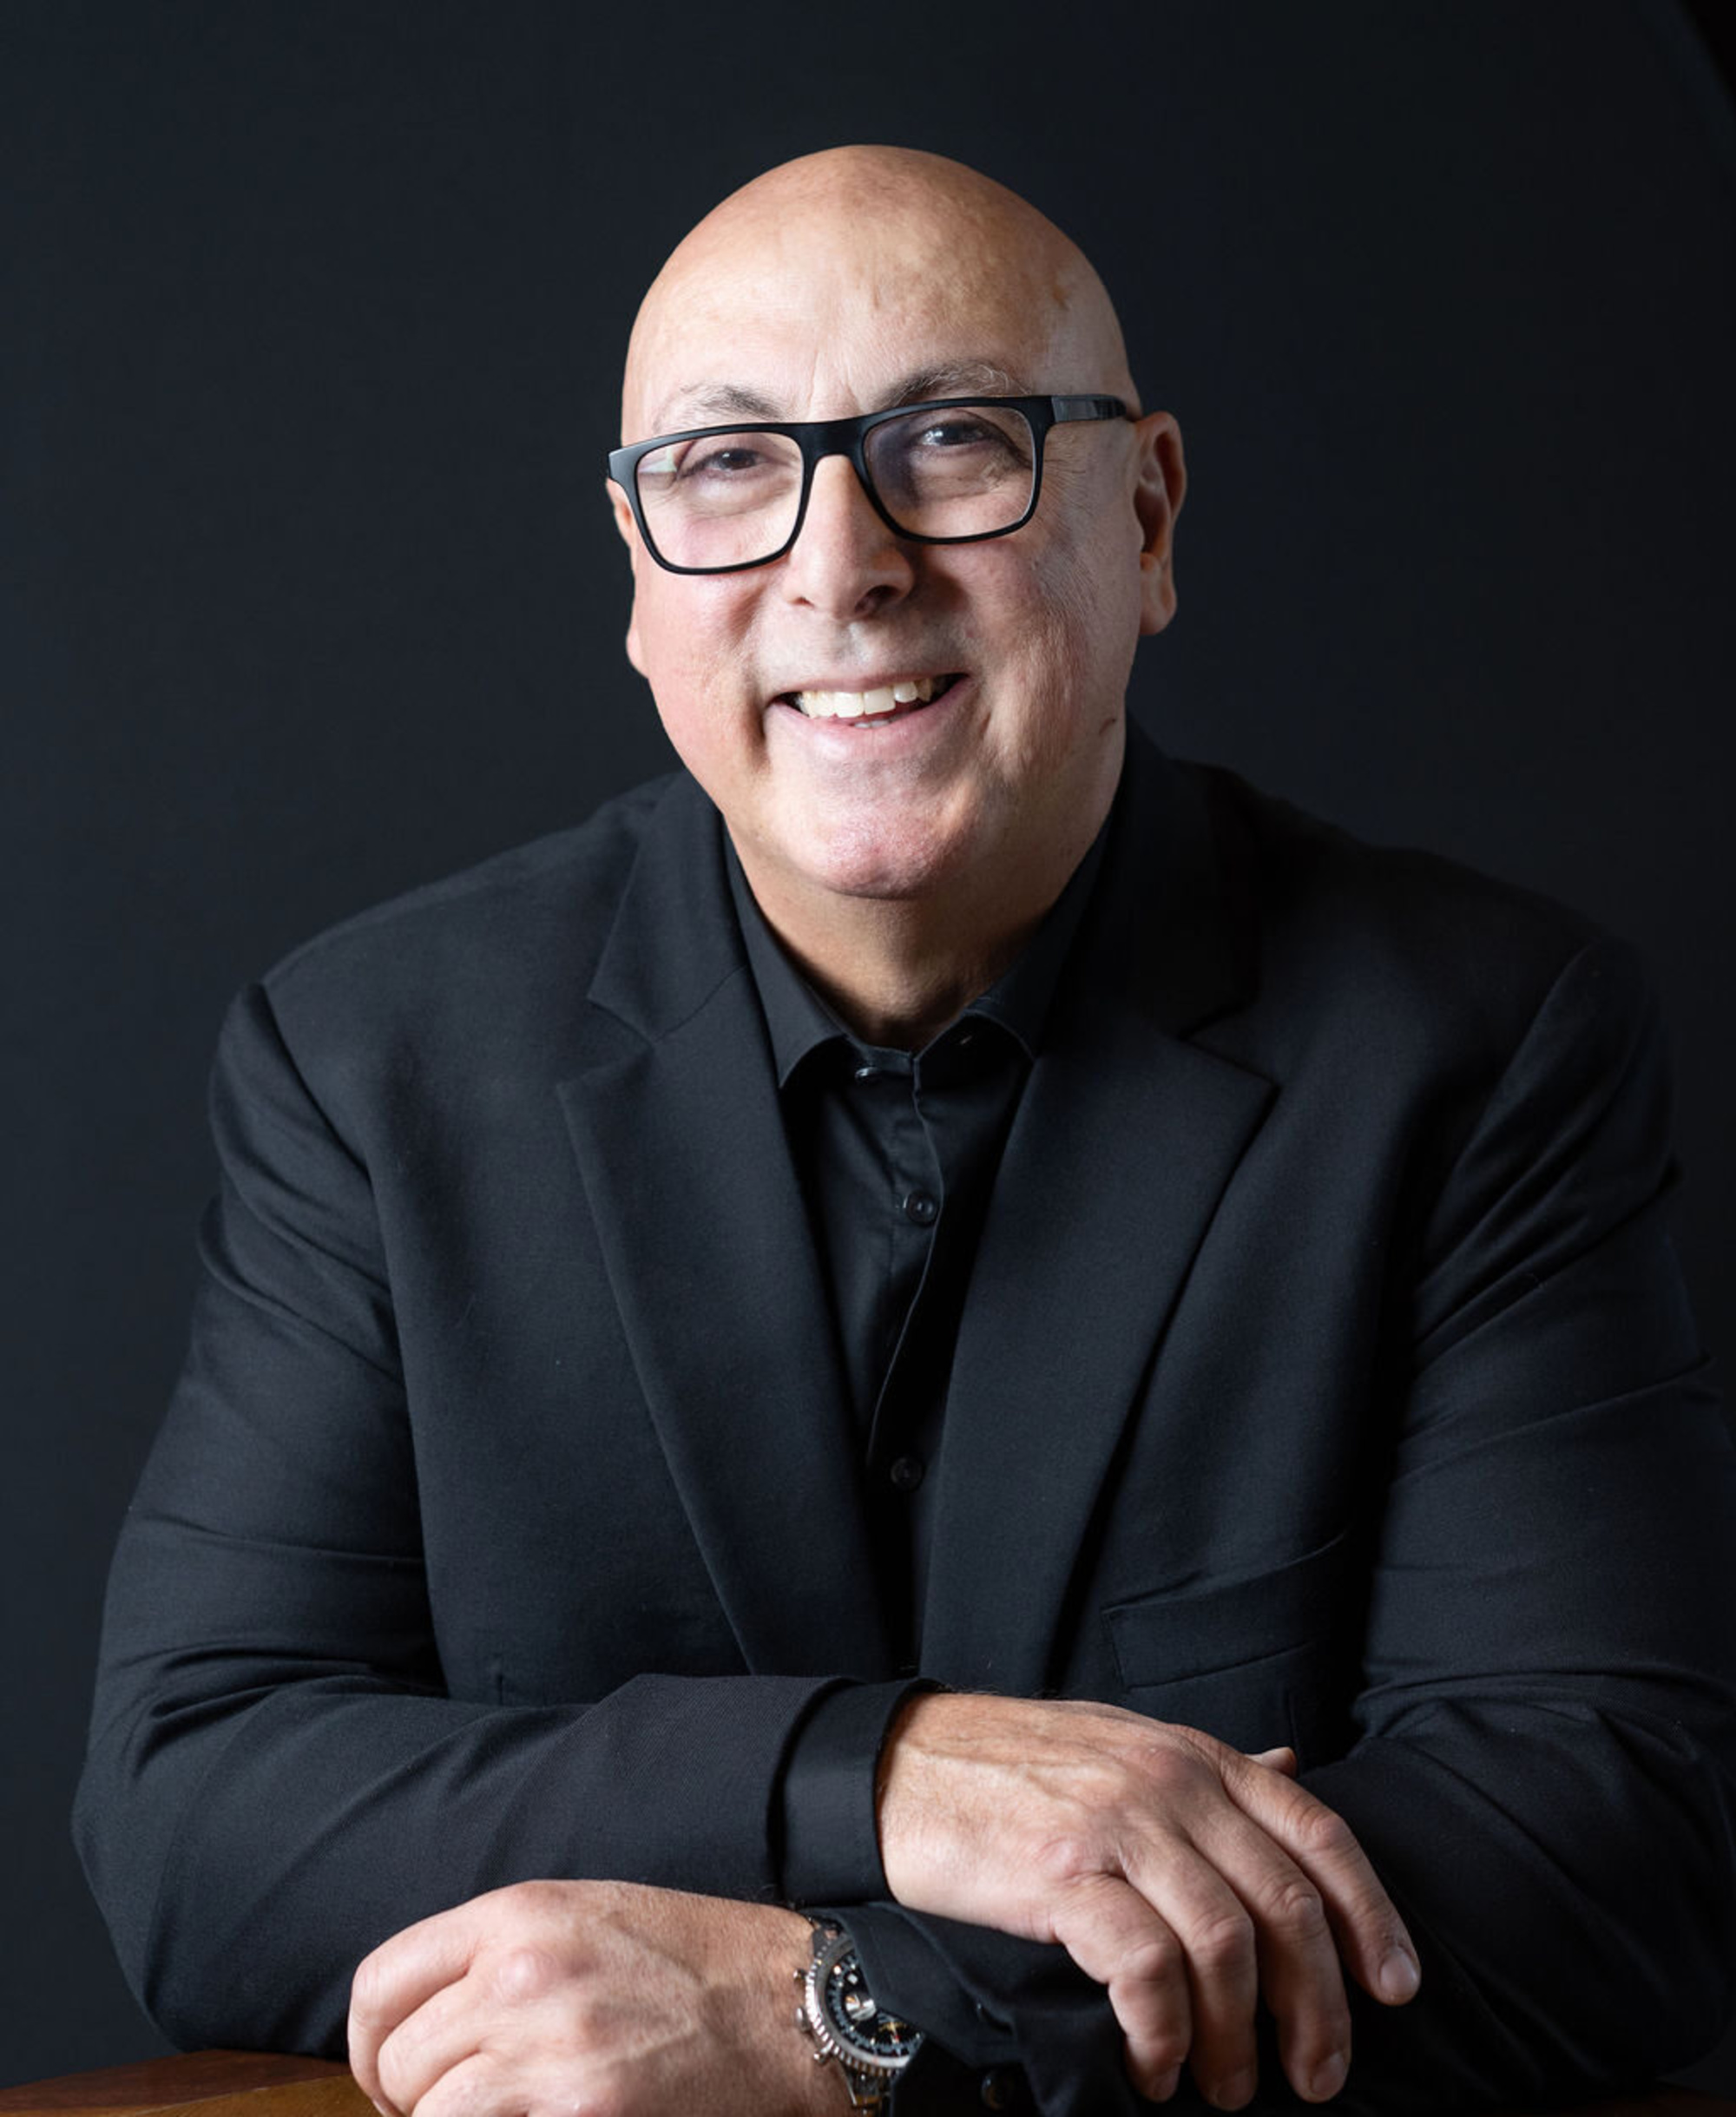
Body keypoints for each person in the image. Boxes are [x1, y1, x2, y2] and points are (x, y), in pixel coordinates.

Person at [75, 147, 1736, 2117]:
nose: (839, 562)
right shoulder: (367, 1063)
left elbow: (1599, 1863)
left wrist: (846, 2011)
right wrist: (881, 1771)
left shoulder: (1477, 1045)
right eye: (723, 468)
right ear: (635, 585)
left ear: (1150, 513)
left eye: (953, 440)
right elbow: (199, 1814)